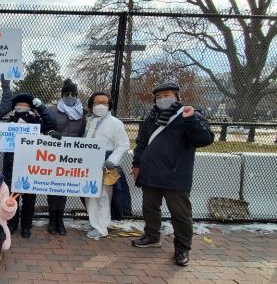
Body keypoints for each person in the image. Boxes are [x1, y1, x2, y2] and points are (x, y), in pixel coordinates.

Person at [131, 83, 214, 266]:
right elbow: (141, 144)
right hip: (150, 173)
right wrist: (137, 164)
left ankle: (182, 248)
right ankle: (152, 236)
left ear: (177, 96)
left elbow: (205, 139)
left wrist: (191, 119)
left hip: (175, 176)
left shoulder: (189, 115)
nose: (162, 99)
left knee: (180, 214)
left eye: (167, 95)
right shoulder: (150, 119)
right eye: (159, 96)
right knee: (150, 207)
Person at [0, 92, 59, 238]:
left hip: (30, 165)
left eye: (25, 104)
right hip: (10, 165)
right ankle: (12, 223)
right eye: (18, 104)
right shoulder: (9, 121)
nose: (21, 107)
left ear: (30, 107)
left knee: (29, 197)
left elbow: (52, 124)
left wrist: (40, 106)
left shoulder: (36, 122)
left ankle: (26, 226)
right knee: (12, 197)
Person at [83, 92, 130, 240]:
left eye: (105, 102)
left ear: (109, 105)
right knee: (91, 194)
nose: (101, 105)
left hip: (106, 164)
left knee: (103, 196)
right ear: (91, 105)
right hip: (89, 162)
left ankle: (101, 227)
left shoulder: (115, 123)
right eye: (97, 102)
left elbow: (124, 144)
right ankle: (94, 222)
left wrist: (112, 161)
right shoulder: (90, 122)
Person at [47, 79, 86, 236]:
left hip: (71, 157)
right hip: (52, 155)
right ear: (62, 95)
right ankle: (52, 219)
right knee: (52, 187)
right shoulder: (52, 110)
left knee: (63, 188)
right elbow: (45, 129)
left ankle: (60, 218)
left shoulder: (82, 114)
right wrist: (50, 134)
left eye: (73, 94)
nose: (70, 96)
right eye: (67, 94)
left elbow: (82, 134)